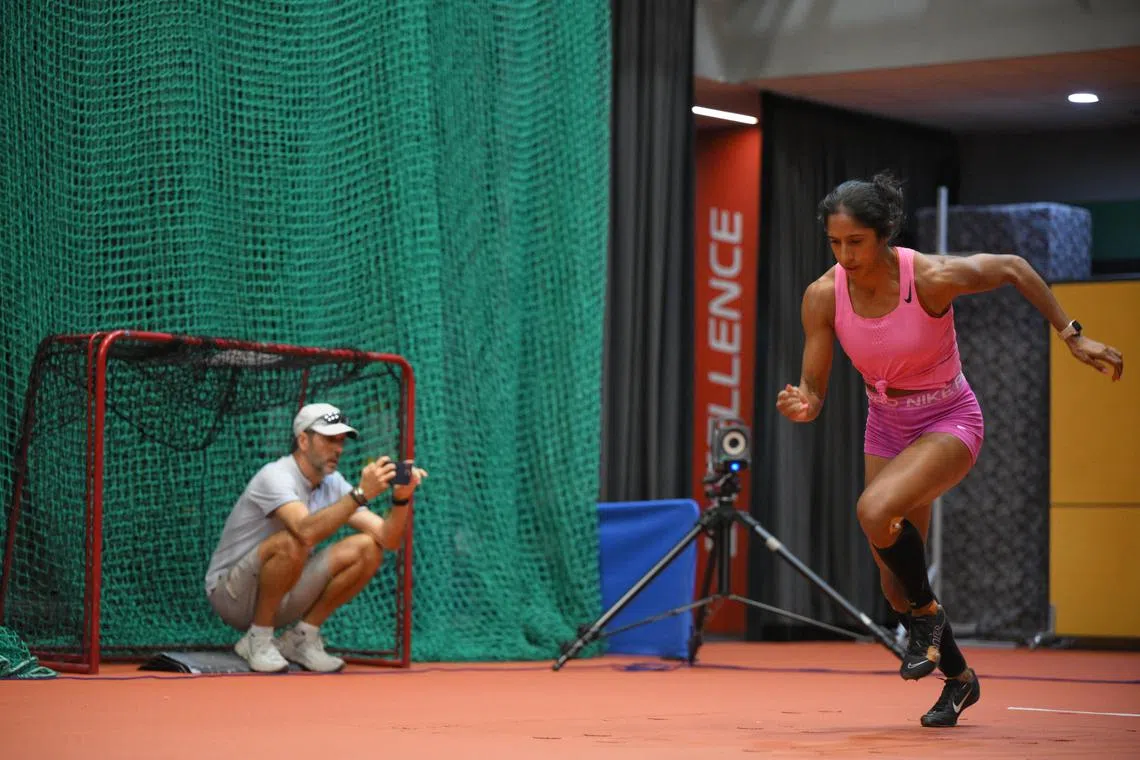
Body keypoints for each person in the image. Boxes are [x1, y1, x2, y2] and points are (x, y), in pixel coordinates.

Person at [776, 173, 1124, 727]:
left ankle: (929, 618)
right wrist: (807, 403)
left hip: (949, 418)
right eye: (835, 243)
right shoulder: (823, 295)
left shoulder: (930, 278)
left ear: (884, 234)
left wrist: (1071, 333)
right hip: (885, 426)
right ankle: (959, 678)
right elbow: (814, 387)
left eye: (856, 242)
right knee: (896, 590)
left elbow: (1012, 266)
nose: (844, 255)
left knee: (873, 510)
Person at [204, 402, 426, 673]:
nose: (338, 449)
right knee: (294, 540)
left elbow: (388, 539)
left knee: (368, 547)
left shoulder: (333, 482)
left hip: (281, 595)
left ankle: (302, 638)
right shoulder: (275, 475)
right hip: (232, 596)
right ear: (303, 440)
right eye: (329, 439)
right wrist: (360, 494)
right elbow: (306, 531)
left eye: (341, 441)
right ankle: (258, 639)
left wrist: (401, 500)